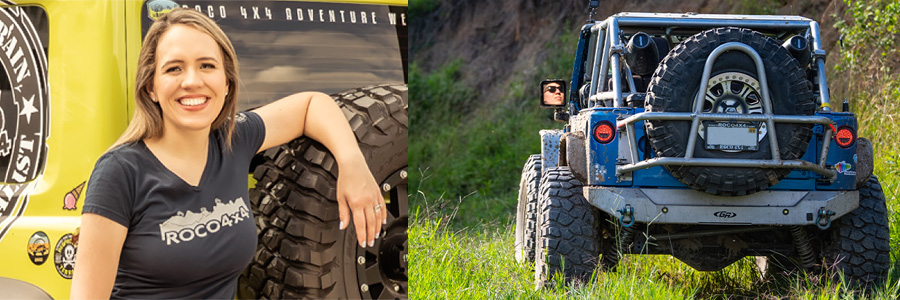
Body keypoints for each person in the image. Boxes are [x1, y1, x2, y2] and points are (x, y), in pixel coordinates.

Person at [69, 8, 385, 299]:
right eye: (174, 69)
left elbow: (311, 104)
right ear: (151, 86)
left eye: (207, 66)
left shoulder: (234, 139)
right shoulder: (120, 172)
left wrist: (352, 161)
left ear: (227, 81)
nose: (192, 81)